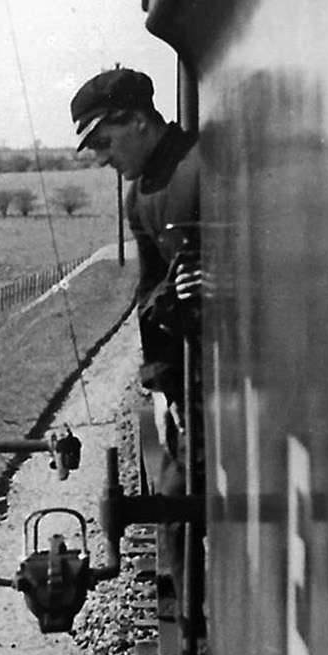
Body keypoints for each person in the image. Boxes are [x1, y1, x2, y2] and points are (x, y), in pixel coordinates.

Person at [71, 66, 203, 495]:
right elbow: (149, 292)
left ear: (138, 120)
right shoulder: (140, 195)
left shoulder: (201, 168)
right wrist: (163, 390)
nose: (103, 158)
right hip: (191, 381)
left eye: (104, 142)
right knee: (174, 492)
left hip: (228, 376)